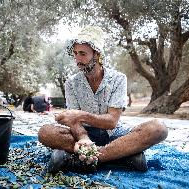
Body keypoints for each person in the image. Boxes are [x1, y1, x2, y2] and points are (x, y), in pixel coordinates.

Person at [38, 26, 168, 173]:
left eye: (82, 54)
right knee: (45, 132)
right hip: (83, 135)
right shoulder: (71, 83)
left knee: (158, 128)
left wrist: (80, 115)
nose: (77, 59)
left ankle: (86, 159)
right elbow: (73, 122)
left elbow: (112, 122)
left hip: (115, 135)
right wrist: (83, 138)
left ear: (97, 54)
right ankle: (120, 156)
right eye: (75, 54)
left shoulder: (118, 79)